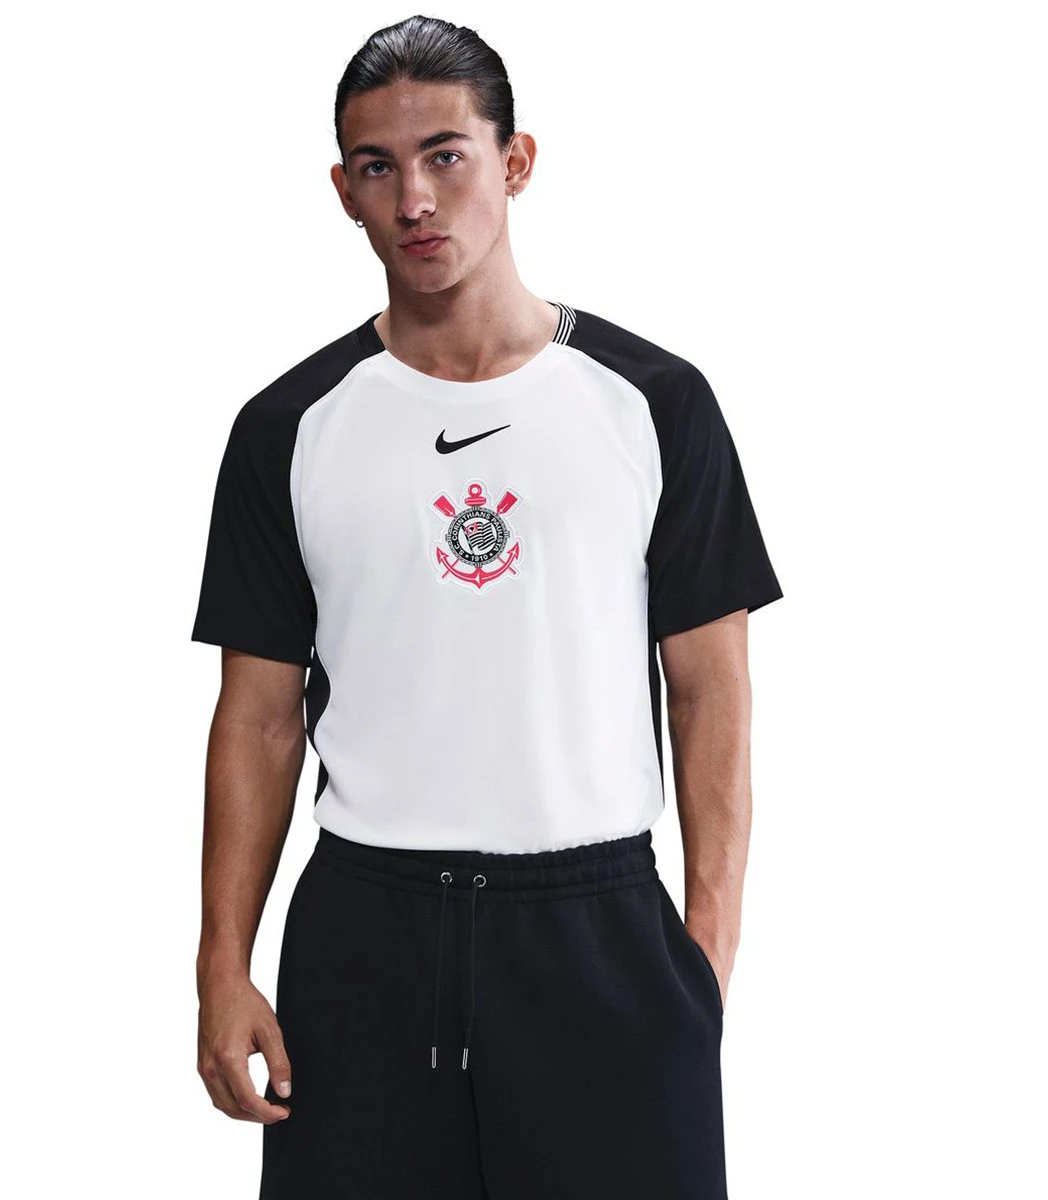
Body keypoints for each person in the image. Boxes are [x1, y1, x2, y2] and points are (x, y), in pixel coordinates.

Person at [190, 14, 782, 1199]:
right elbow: (256, 718)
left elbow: (709, 688)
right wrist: (221, 963)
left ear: (515, 162)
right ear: (343, 192)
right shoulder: (287, 428)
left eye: (446, 155)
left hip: (600, 929)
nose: (414, 198)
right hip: (367, 935)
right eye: (377, 166)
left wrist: (703, 954)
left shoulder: (654, 403)